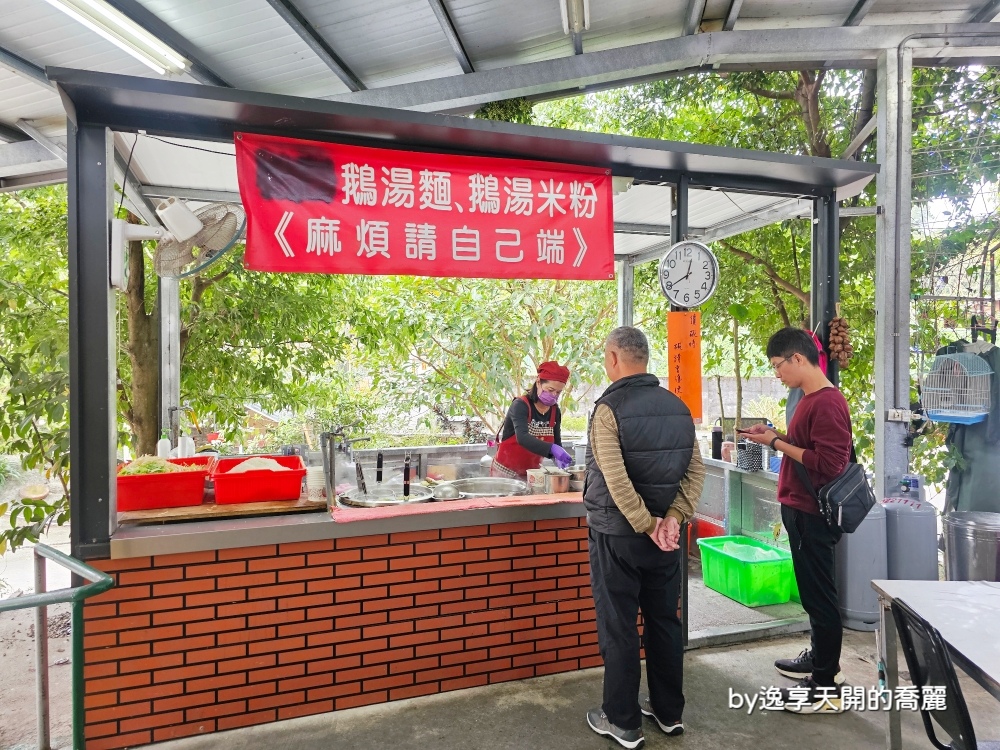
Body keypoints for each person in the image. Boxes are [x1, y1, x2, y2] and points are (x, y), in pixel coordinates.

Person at [584, 327, 705, 749]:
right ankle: (669, 712)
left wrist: (647, 523)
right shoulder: (678, 407)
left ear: (615, 357)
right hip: (665, 541)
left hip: (618, 536)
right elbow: (695, 472)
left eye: (605, 354)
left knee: (619, 627)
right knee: (664, 622)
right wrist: (672, 518)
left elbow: (615, 479)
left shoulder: (608, 409)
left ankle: (622, 720)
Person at [742, 327, 852, 714]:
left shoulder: (827, 403)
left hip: (812, 514)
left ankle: (824, 684)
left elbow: (829, 463)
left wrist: (775, 443)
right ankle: (822, 660)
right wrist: (774, 434)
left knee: (820, 598)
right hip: (800, 508)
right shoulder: (810, 399)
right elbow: (808, 445)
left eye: (778, 366)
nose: (777, 374)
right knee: (812, 595)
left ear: (798, 359)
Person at [491, 360, 574, 480]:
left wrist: (558, 457)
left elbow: (556, 443)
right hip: (505, 476)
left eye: (558, 392)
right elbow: (523, 438)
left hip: (532, 476)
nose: (554, 395)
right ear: (539, 382)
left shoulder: (555, 412)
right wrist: (551, 449)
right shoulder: (520, 405)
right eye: (550, 390)